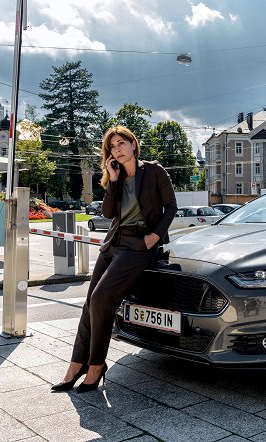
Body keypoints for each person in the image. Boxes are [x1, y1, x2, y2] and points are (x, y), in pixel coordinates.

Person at [52, 126, 177, 392]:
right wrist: (113, 179)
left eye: (121, 143)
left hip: (140, 245)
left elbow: (171, 207)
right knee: (89, 304)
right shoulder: (116, 175)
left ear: (133, 144)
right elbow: (109, 213)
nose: (117, 149)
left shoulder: (153, 170)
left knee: (101, 300)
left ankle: (96, 366)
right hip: (114, 242)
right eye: (112, 147)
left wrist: (155, 236)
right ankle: (76, 364)